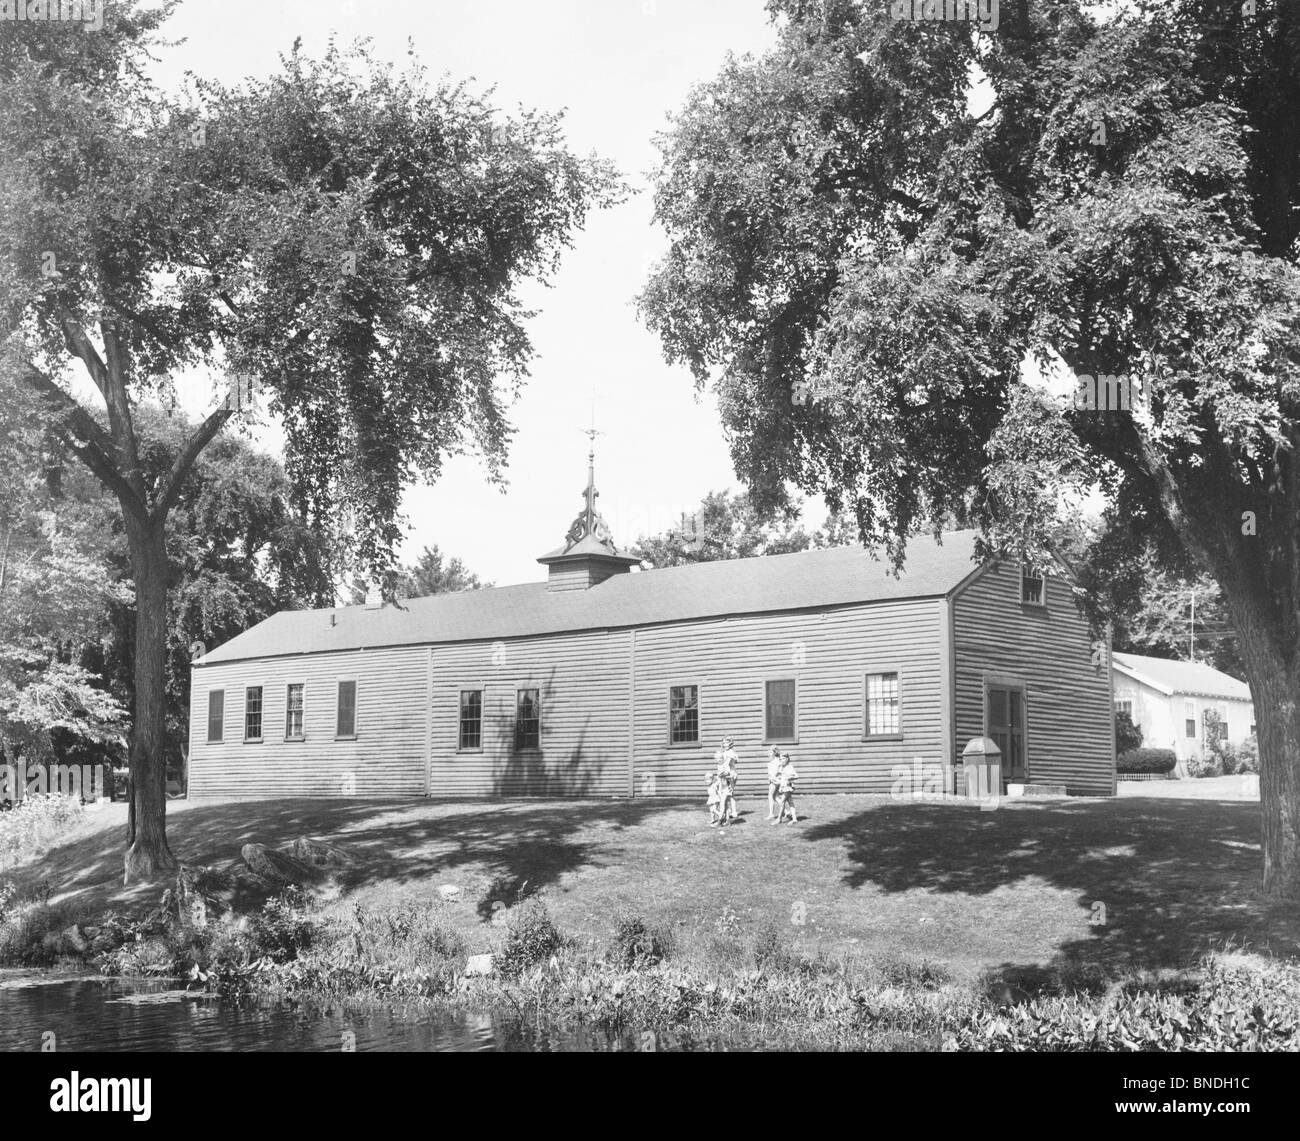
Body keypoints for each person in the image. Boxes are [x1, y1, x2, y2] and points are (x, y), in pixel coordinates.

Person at [714, 736, 739, 824]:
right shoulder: (725, 752)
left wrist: (722, 772)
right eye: (724, 743)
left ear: (731, 743)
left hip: (730, 774)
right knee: (727, 795)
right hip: (725, 775)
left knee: (729, 794)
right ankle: (728, 814)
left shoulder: (731, 753)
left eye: (727, 743)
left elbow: (727, 764)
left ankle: (732, 812)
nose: (725, 744)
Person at [773, 753, 799, 824]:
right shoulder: (781, 767)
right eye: (781, 759)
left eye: (784, 759)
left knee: (782, 802)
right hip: (783, 786)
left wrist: (790, 777)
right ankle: (794, 819)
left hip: (788, 786)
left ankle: (779, 819)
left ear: (787, 759)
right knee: (790, 802)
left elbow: (796, 776)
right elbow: (777, 775)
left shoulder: (790, 767)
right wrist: (779, 777)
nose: (782, 760)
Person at [766, 745, 783, 820]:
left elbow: (775, 772)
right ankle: (786, 811)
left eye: (770, 752)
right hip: (778, 780)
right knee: (775, 796)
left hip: (774, 781)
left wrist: (772, 778)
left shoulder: (774, 762)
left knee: (770, 796)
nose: (769, 753)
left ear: (774, 752)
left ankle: (771, 814)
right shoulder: (778, 760)